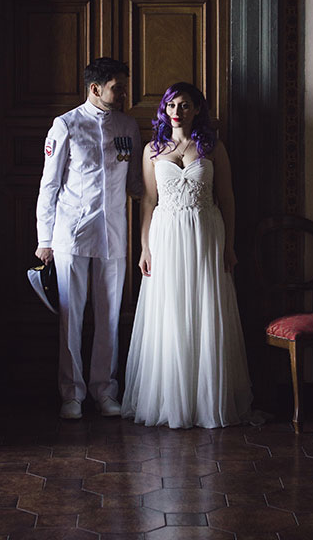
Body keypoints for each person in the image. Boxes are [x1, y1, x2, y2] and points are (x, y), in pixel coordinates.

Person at [121, 82, 254, 429]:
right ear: (164, 110)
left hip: (206, 231)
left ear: (196, 109)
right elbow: (149, 201)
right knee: (170, 311)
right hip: (165, 235)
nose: (177, 111)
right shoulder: (153, 149)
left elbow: (227, 199)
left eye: (184, 105)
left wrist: (230, 246)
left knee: (206, 307)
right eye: (171, 105)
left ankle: (206, 400)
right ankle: (171, 398)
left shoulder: (213, 147)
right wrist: (144, 248)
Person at [35, 58, 142, 419]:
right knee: (71, 317)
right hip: (71, 234)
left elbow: (136, 184)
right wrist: (44, 238)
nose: (124, 92)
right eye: (118, 87)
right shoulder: (65, 125)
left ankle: (105, 390)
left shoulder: (128, 125)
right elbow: (48, 185)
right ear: (95, 89)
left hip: (114, 233)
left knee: (109, 315)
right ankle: (72, 393)